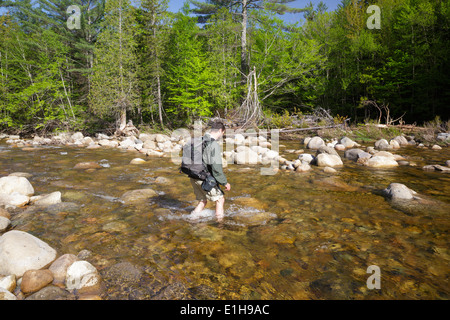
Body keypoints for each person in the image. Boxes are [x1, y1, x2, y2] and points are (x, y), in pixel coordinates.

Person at [190, 121, 231, 221]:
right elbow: (216, 167)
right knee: (220, 199)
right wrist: (224, 182)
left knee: (203, 200)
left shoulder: (199, 140)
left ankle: (191, 219)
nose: (222, 135)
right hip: (204, 178)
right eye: (223, 133)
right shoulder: (213, 144)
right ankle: (220, 225)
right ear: (221, 131)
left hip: (193, 175)